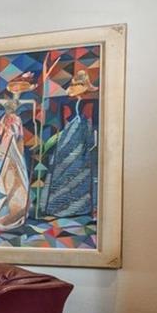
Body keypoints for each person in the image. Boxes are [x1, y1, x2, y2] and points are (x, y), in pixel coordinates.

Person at [0, 74, 36, 232]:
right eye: (15, 85)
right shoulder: (1, 102)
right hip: (2, 129)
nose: (17, 88)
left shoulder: (26, 102)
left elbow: (35, 121)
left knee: (12, 166)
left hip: (14, 130)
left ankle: (10, 209)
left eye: (21, 86)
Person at [40, 69, 98, 218]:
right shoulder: (76, 109)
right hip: (73, 138)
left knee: (75, 169)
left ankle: (74, 205)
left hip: (77, 139)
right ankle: (66, 205)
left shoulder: (82, 109)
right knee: (69, 168)